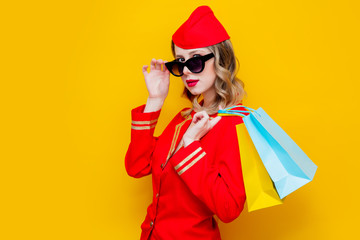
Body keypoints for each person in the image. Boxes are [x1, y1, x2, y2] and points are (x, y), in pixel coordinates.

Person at [125, 5, 248, 240]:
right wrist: (155, 98)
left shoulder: (235, 123)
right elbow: (137, 166)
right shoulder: (184, 117)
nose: (187, 72)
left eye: (195, 61)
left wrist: (190, 144)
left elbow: (229, 208)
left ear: (220, 58)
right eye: (181, 62)